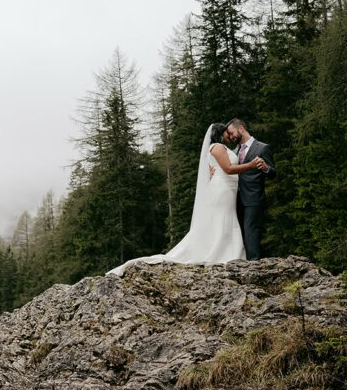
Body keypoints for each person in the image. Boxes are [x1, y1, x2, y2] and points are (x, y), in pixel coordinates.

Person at [107, 123, 266, 276]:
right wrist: (252, 164)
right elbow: (228, 169)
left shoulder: (223, 148)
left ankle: (227, 250)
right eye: (226, 132)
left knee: (226, 218)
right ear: (219, 133)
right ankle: (221, 251)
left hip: (228, 189)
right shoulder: (217, 147)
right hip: (223, 189)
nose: (229, 135)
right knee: (222, 219)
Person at [224, 118, 276, 260]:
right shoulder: (233, 152)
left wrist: (265, 168)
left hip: (253, 198)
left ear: (241, 128)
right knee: (237, 233)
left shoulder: (262, 148)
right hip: (234, 198)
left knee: (251, 232)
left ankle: (254, 266)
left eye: (232, 132)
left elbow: (273, 173)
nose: (231, 136)